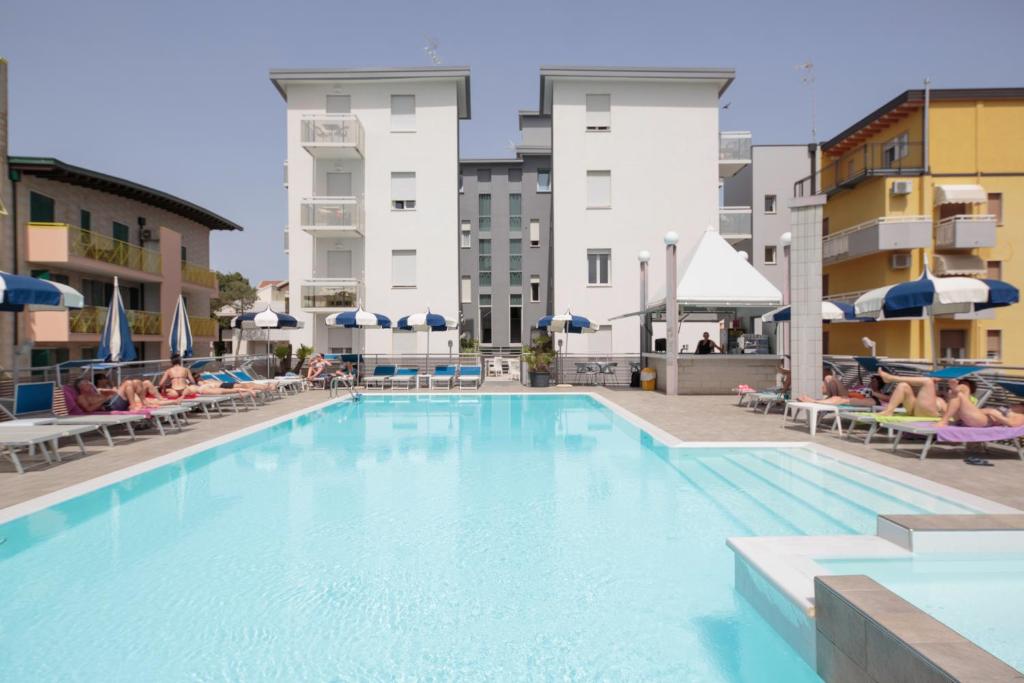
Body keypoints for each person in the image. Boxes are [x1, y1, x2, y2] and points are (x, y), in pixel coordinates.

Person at [877, 369, 948, 418]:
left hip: (929, 413)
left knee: (927, 381)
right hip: (914, 410)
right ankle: (889, 411)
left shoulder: (946, 399)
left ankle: (891, 378)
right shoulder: (927, 395)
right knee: (903, 385)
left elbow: (947, 413)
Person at [73, 377, 142, 412]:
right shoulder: (81, 397)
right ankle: (133, 406)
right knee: (128, 383)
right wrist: (104, 400)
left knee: (136, 382)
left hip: (113, 401)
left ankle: (143, 402)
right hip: (110, 406)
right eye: (87, 383)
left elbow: (113, 391)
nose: (90, 384)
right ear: (80, 387)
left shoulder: (96, 391)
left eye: (89, 383)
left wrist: (111, 390)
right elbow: (89, 409)